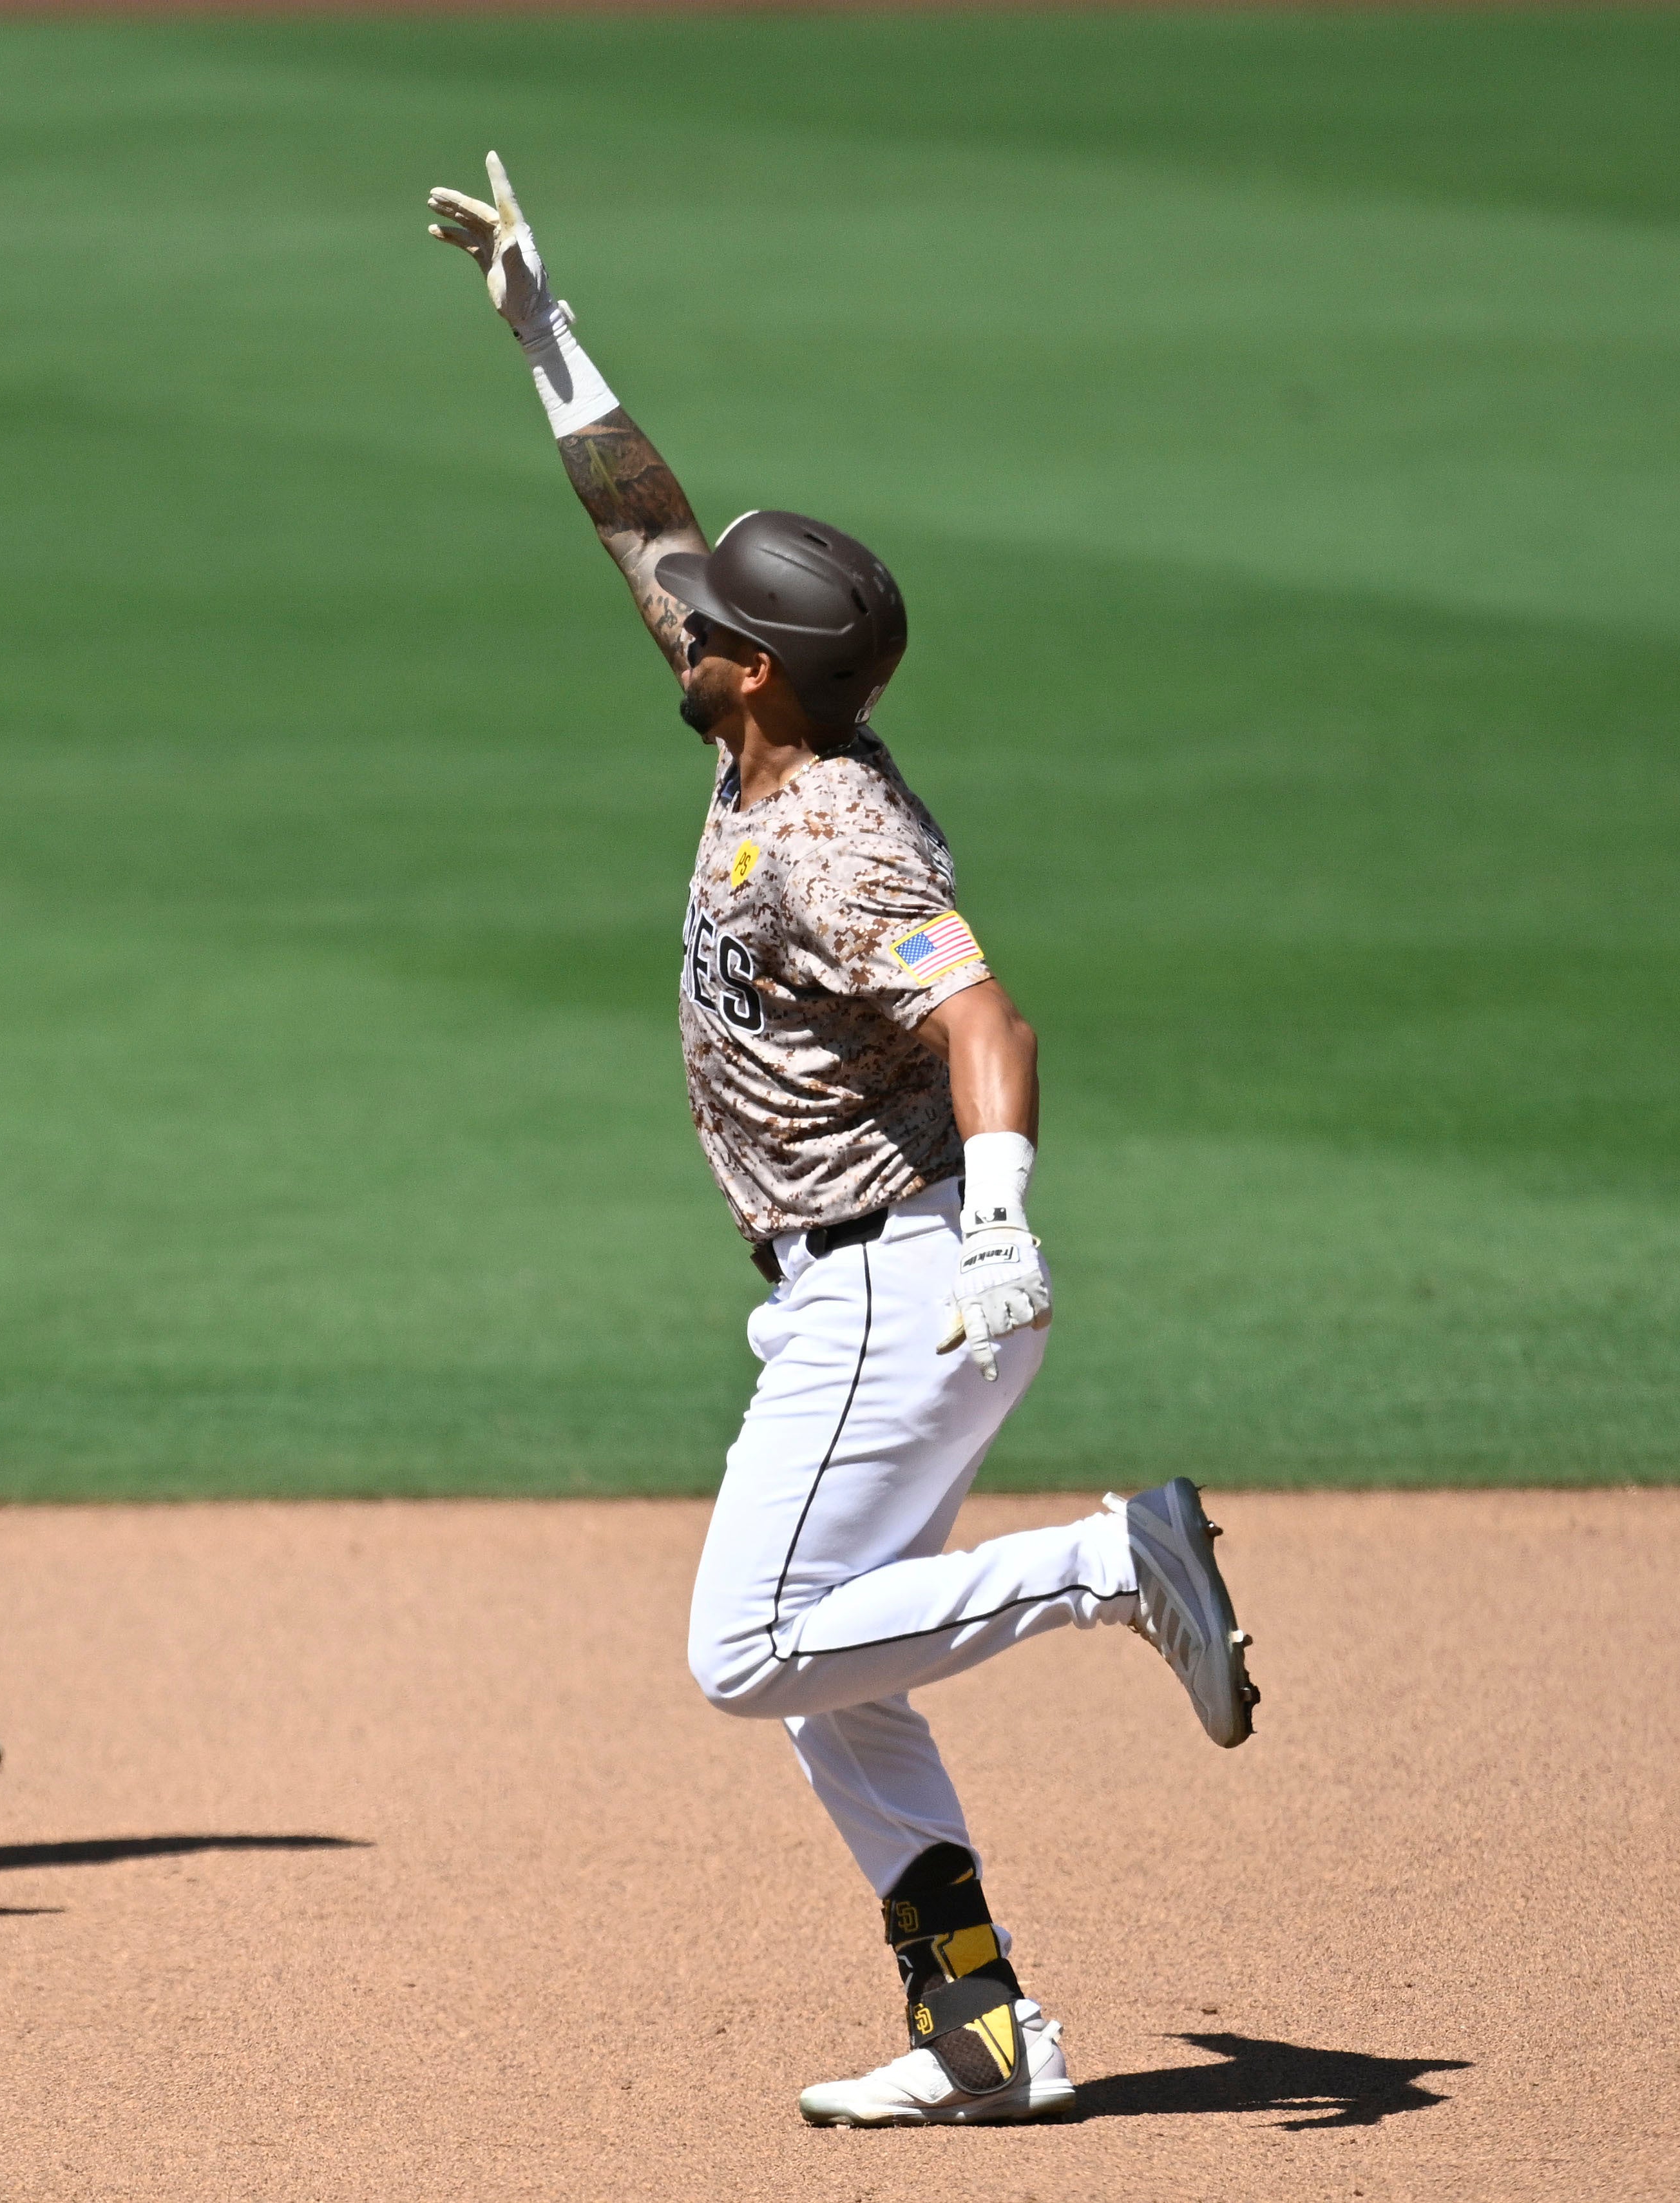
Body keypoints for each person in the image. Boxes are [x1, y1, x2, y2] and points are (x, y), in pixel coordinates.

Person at [425, 158, 1260, 2124]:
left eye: (710, 624)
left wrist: (1001, 1220)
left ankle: (1111, 1564)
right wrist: (547, 328)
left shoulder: (836, 830)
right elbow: (640, 515)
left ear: (766, 669)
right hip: (853, 1283)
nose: (679, 620)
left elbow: (984, 1011)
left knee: (749, 1648)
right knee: (840, 1689)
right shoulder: (753, 730)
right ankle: (983, 2019)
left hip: (906, 1276)